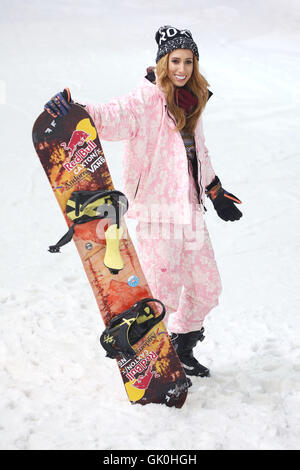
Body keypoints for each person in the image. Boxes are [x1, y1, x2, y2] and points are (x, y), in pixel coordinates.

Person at [44, 25, 243, 379]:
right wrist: (73, 110)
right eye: (175, 61)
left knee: (206, 286)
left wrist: (214, 189)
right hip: (157, 211)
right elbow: (110, 116)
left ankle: (181, 347)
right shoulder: (146, 101)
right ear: (163, 63)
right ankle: (150, 356)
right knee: (162, 292)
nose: (181, 69)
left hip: (190, 211)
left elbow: (197, 152)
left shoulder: (192, 99)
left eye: (188, 61)